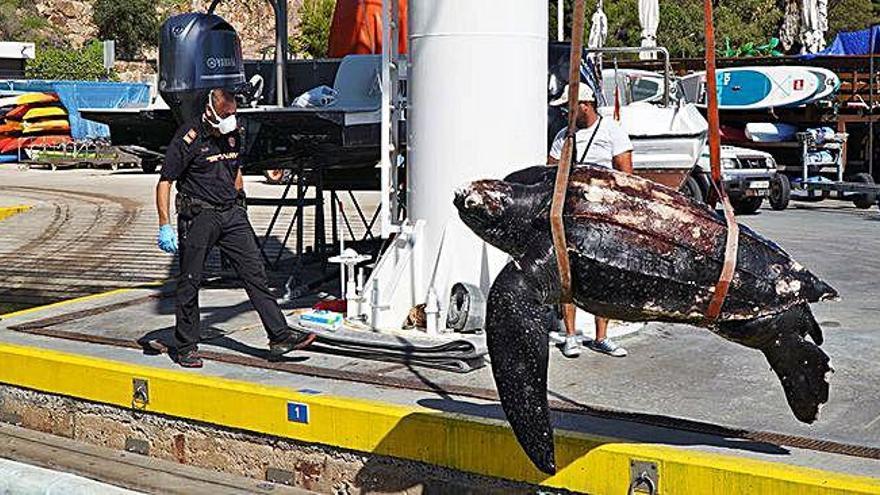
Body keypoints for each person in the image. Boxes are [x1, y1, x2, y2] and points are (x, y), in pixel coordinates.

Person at [155, 88, 315, 368]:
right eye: (227, 115)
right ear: (210, 111)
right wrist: (165, 224)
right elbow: (165, 181)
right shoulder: (188, 137)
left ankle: (279, 335)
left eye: (234, 114)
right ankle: (186, 346)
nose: (232, 119)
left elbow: (235, 168)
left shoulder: (233, 133)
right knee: (190, 282)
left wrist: (241, 201)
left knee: (255, 274)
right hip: (199, 216)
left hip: (232, 215)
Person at [547, 83, 633, 359]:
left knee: (603, 274)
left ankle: (601, 336)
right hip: (573, 211)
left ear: (584, 105)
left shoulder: (612, 131)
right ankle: (570, 335)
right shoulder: (564, 136)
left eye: (568, 107)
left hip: (602, 213)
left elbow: (626, 174)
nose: (564, 113)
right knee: (568, 272)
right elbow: (550, 170)